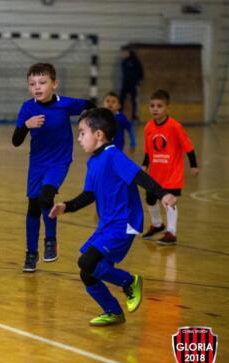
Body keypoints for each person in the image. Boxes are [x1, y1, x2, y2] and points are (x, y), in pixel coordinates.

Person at [49, 108, 177, 326]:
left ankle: (129, 282)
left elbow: (139, 176)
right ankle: (113, 311)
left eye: (82, 133)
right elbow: (90, 194)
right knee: (87, 273)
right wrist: (67, 206)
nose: (79, 138)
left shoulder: (113, 155)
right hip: (107, 225)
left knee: (86, 262)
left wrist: (162, 193)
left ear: (98, 135)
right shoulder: (93, 161)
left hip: (124, 223)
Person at [12, 62, 94, 272]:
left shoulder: (65, 104)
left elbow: (90, 105)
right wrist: (26, 125)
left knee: (46, 197)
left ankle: (51, 241)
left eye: (42, 82)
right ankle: (31, 253)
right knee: (33, 207)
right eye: (32, 84)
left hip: (59, 162)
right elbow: (16, 141)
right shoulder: (28, 108)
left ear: (54, 84)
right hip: (37, 163)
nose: (37, 87)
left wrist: (90, 126)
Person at [140, 89, 199, 245]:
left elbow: (188, 147)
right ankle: (157, 225)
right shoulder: (148, 127)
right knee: (150, 199)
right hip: (155, 174)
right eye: (152, 105)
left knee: (169, 201)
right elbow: (148, 150)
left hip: (172, 174)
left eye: (159, 106)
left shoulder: (175, 126)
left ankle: (171, 233)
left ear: (167, 108)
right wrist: (145, 164)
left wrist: (193, 165)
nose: (155, 109)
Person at [118, 46, 144, 121]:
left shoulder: (135, 61)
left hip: (133, 84)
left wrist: (138, 82)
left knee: (134, 100)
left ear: (127, 52)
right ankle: (119, 114)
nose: (121, 54)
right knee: (121, 99)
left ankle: (134, 116)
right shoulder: (124, 62)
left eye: (123, 53)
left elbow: (141, 72)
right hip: (125, 83)